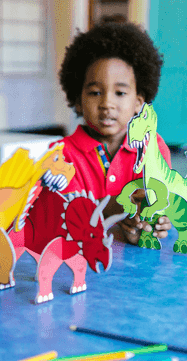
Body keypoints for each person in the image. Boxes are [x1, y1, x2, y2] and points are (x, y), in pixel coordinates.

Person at [58, 22, 172, 245]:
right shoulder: (62, 156)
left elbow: (158, 204)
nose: (107, 103)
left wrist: (148, 223)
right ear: (78, 101)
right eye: (95, 92)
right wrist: (116, 206)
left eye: (120, 92)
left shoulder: (152, 148)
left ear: (139, 102)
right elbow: (65, 216)